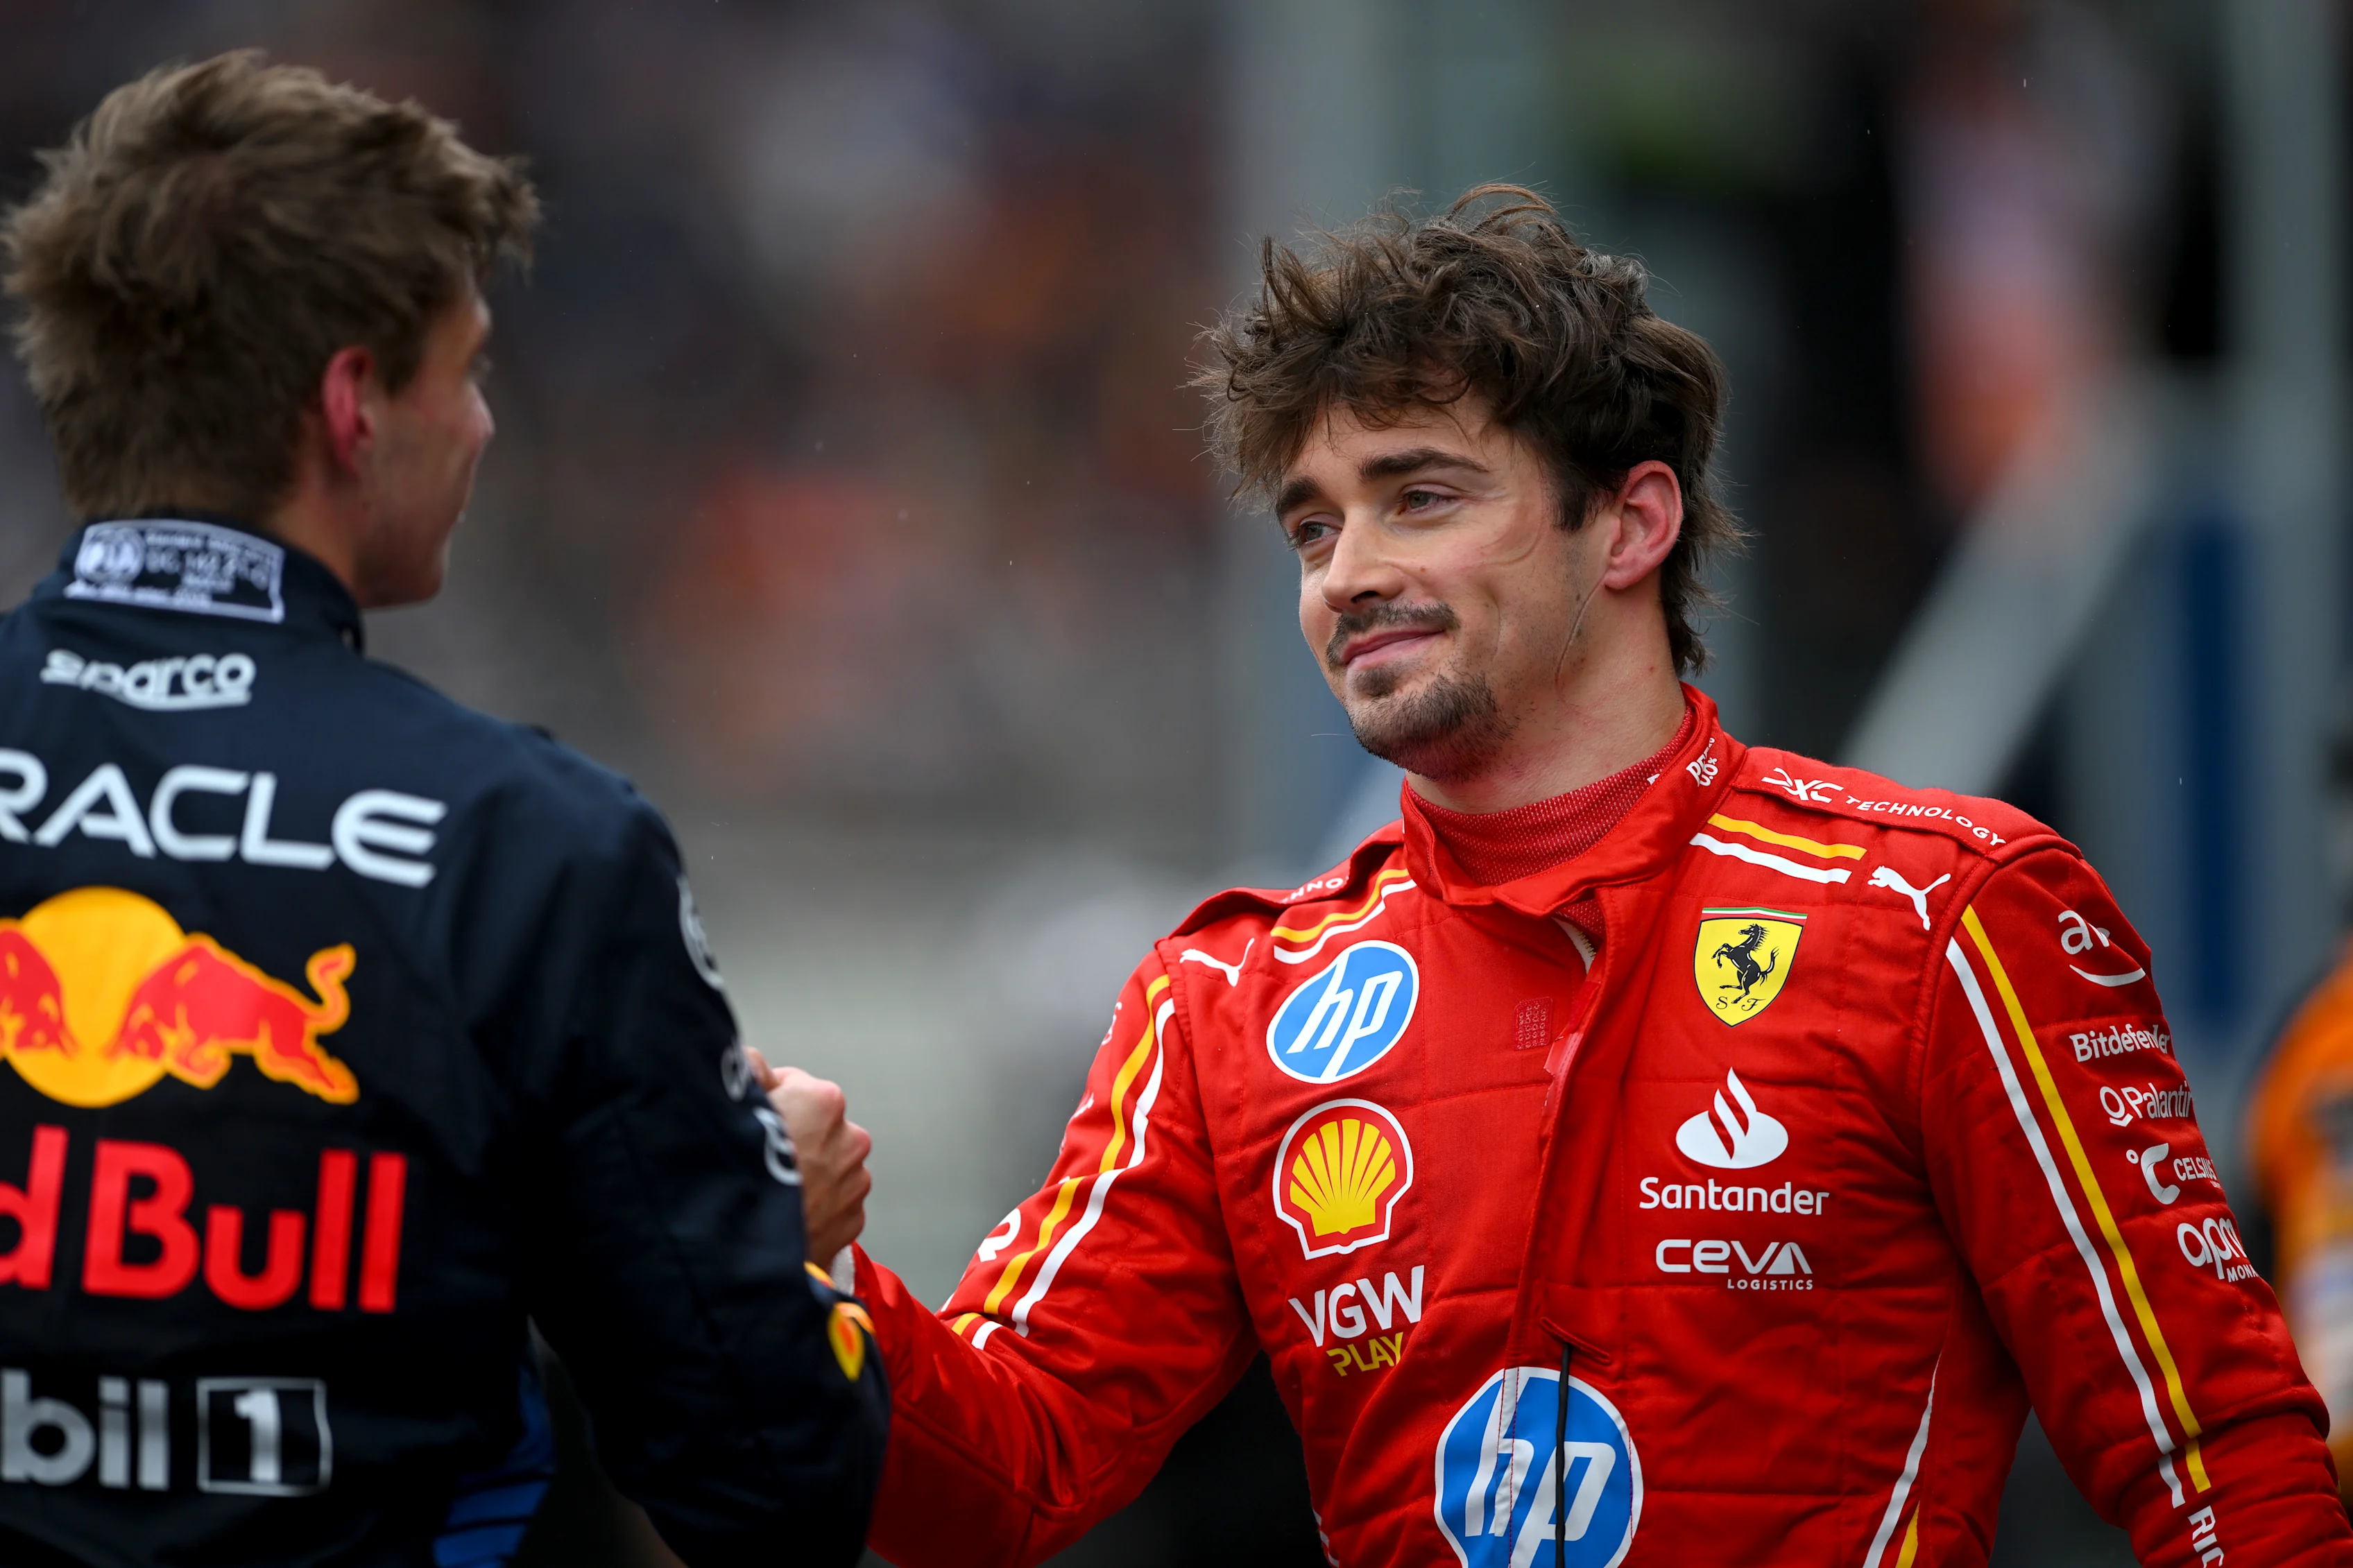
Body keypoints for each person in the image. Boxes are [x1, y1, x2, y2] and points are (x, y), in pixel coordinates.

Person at [836, 188, 2352, 1565]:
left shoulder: (1948, 913)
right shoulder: (1226, 1000)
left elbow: (2212, 1454)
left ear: (1630, 522)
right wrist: (796, 1264)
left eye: (1418, 496)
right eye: (1315, 522)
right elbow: (996, 1475)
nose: (1345, 568)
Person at [0, 53, 884, 1567]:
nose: (481, 426)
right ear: (354, 403)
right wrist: (758, 1225)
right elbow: (766, 1478)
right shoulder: (530, 845)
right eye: (464, 371)